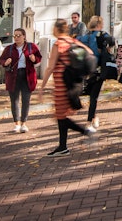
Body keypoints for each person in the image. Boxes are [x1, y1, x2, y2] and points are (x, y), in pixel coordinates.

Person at [40, 19, 94, 157]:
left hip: (61, 84)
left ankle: (84, 132)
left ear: (57, 29)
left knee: (61, 116)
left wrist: (42, 86)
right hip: (72, 83)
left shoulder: (58, 44)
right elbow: (89, 53)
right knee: (61, 115)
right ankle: (63, 146)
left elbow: (50, 67)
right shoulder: (73, 42)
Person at [1, 28, 42, 133]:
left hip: (27, 76)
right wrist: (6, 62)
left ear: (24, 36)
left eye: (19, 35)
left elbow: (38, 57)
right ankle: (16, 124)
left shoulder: (31, 46)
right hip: (13, 76)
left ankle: (24, 123)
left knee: (26, 100)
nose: (16, 38)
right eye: (15, 36)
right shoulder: (9, 48)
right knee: (14, 100)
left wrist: (34, 59)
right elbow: (2, 59)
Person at [78, 15, 112, 132]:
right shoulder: (102, 35)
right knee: (94, 96)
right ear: (99, 24)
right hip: (97, 69)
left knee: (91, 94)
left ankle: (93, 118)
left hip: (86, 69)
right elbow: (111, 41)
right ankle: (89, 122)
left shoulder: (84, 36)